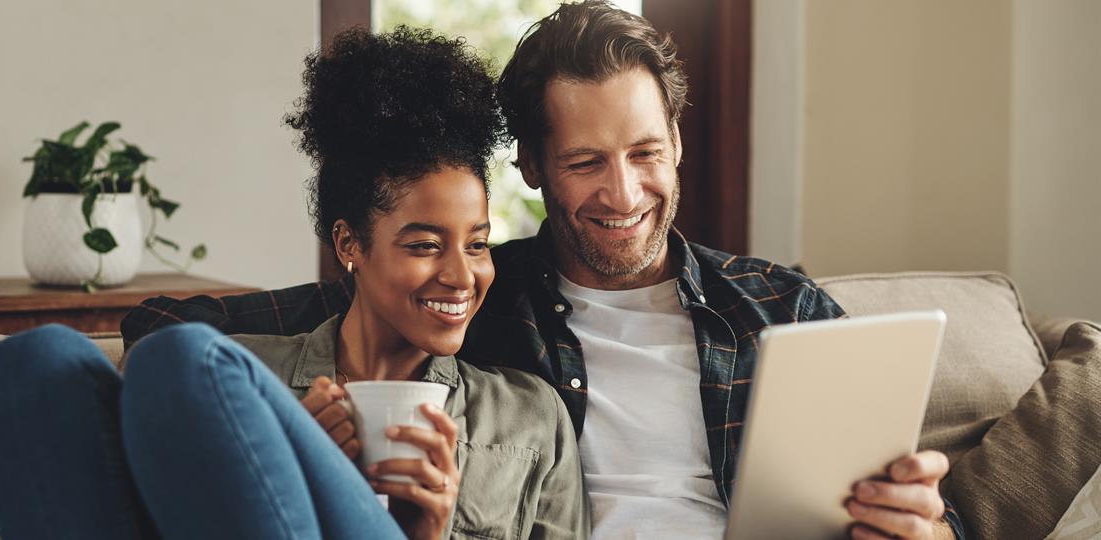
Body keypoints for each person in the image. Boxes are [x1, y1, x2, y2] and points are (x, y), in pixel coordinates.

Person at [122, 2, 962, 539]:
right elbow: (171, 337)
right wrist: (292, 412)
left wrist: (925, 527)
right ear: (529, 164)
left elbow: (932, 510)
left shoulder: (780, 308)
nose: (624, 193)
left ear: (677, 141)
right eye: (587, 162)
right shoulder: (478, 293)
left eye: (646, 153)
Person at [0, 26, 588, 540]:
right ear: (349, 245)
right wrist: (291, 461)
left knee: (181, 359)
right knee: (32, 362)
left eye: (478, 244)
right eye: (425, 245)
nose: (461, 275)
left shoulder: (529, 418)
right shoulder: (245, 384)